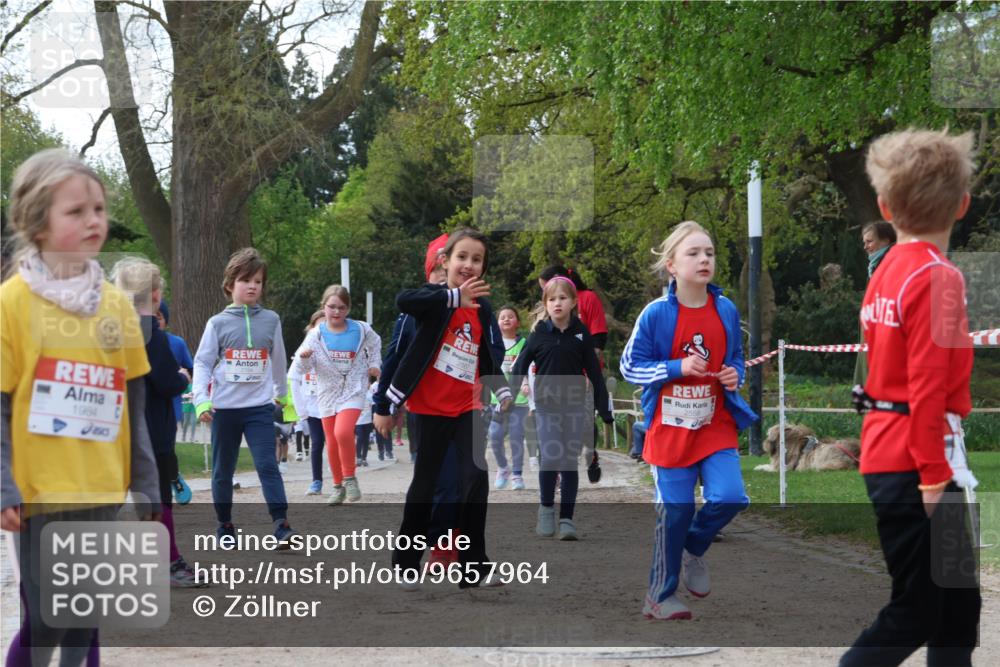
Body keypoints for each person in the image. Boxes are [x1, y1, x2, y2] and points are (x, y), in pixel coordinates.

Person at [1, 149, 159, 666]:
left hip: (100, 488)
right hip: (37, 493)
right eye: (76, 211)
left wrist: (146, 477)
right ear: (35, 222)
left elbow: (131, 401)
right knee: (48, 617)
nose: (94, 220)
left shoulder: (117, 305)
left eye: (99, 208)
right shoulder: (11, 305)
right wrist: (4, 484)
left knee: (84, 615)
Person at [841, 129, 980, 667]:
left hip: (891, 450)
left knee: (957, 610)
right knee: (918, 610)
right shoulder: (938, 277)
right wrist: (932, 476)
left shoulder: (886, 270)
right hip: (918, 461)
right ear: (963, 204)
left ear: (884, 206)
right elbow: (925, 385)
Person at [620, 220, 757, 621]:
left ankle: (693, 547)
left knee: (730, 497)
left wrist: (736, 374)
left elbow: (733, 359)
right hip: (670, 427)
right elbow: (630, 366)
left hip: (714, 423)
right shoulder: (657, 313)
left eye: (709, 253)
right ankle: (659, 596)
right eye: (693, 253)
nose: (704, 260)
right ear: (671, 266)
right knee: (675, 511)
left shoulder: (726, 309)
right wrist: (677, 366)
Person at [378, 228, 512, 589]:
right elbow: (402, 301)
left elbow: (484, 354)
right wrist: (453, 297)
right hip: (428, 409)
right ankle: (406, 562)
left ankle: (474, 568)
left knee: (475, 484)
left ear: (484, 267)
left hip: (465, 408)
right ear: (446, 262)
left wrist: (500, 390)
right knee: (425, 486)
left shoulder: (483, 308)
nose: (469, 265)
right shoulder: (434, 298)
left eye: (477, 259)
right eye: (462, 257)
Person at [192, 247, 296, 547]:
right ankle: (225, 526)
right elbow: (202, 363)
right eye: (245, 280)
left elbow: (278, 361)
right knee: (223, 470)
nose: (253, 286)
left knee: (267, 465)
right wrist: (201, 400)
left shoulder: (271, 320)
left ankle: (281, 524)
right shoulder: (217, 323)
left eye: (259, 281)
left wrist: (283, 397)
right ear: (230, 285)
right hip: (224, 410)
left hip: (259, 409)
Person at [111, 258, 205, 588]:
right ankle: (170, 563)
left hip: (114, 429)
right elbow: (166, 382)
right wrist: (182, 377)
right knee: (158, 500)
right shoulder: (153, 334)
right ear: (154, 294)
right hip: (151, 429)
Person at [511, 277, 613, 540]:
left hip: (575, 406)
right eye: (552, 299)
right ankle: (546, 509)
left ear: (573, 302)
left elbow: (595, 373)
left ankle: (567, 519)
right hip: (545, 405)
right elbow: (519, 367)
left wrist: (603, 408)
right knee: (550, 456)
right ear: (546, 303)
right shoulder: (538, 335)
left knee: (568, 462)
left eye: (562, 298)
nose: (557, 303)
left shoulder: (581, 334)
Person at [294, 285, 381, 505]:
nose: (336, 312)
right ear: (324, 307)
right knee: (331, 440)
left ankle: (350, 478)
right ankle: (337, 485)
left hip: (353, 388)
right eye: (331, 307)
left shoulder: (361, 329)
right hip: (327, 391)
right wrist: (305, 358)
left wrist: (374, 363)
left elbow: (376, 342)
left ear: (348, 309)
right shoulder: (316, 335)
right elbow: (300, 369)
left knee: (343, 432)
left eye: (341, 308)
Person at [489, 306, 530, 491]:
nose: (506, 319)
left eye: (510, 317)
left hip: (519, 400)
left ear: (517, 322)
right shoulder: (493, 344)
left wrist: (526, 382)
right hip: (496, 399)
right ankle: (503, 468)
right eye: (502, 317)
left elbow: (530, 366)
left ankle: (517, 475)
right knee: (495, 436)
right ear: (497, 323)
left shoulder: (524, 344)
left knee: (516, 438)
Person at [853, 220, 897, 387]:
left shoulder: (892, 264)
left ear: (885, 240)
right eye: (864, 242)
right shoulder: (875, 266)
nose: (865, 247)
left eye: (870, 241)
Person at [289, 310, 326, 495]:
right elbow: (293, 378)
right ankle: (316, 481)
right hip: (313, 408)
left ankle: (342, 479)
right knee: (317, 443)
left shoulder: (337, 348)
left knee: (338, 441)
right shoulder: (303, 351)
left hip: (333, 406)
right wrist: (301, 410)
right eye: (318, 326)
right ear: (311, 328)